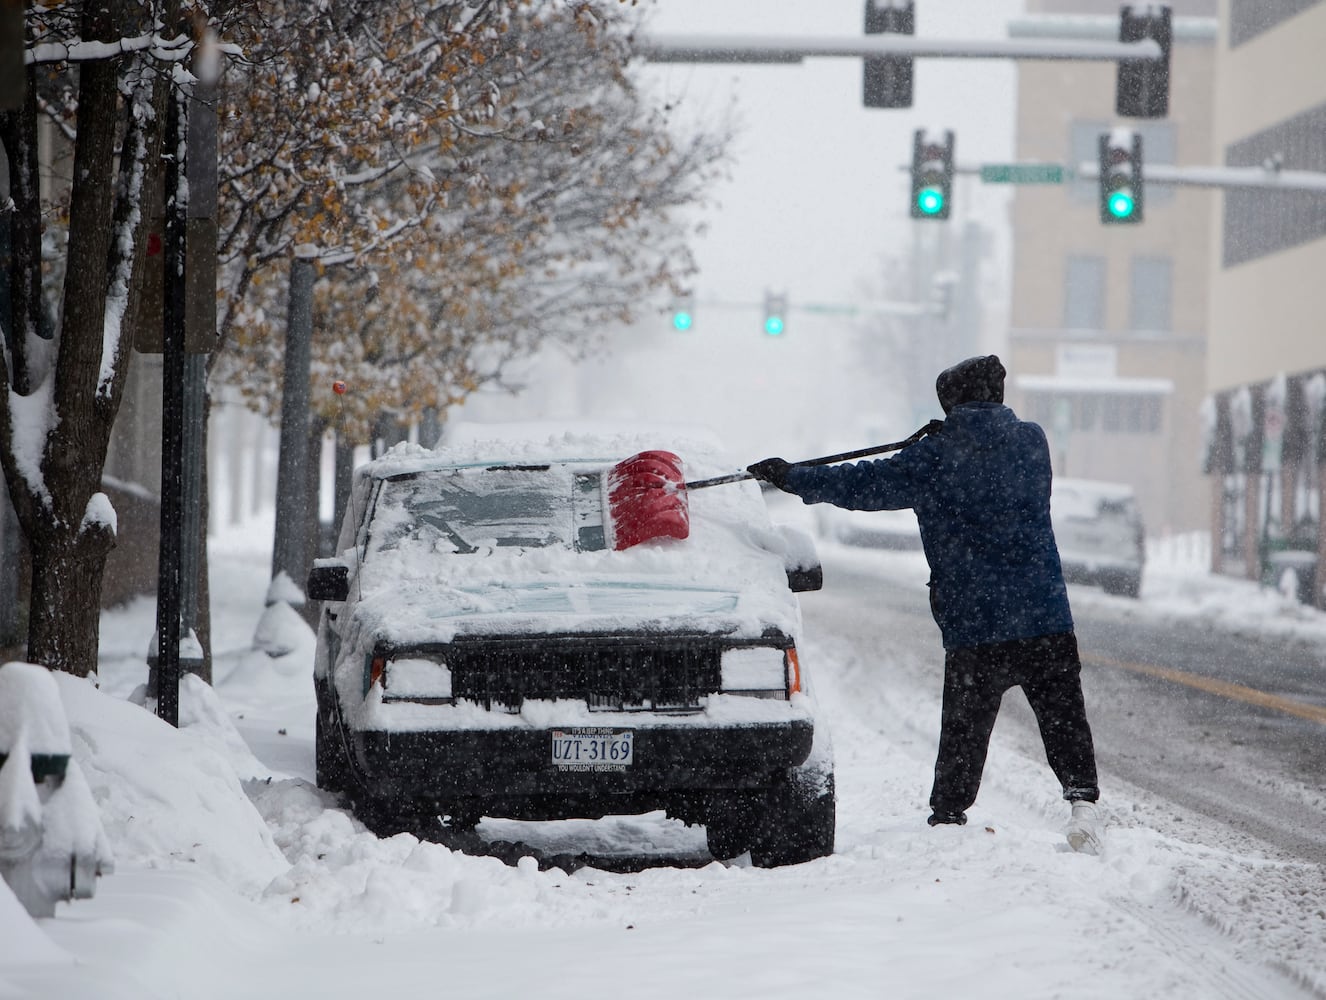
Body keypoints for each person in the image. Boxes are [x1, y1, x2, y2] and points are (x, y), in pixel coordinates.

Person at [747, 355, 1102, 853]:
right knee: (1063, 713)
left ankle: (949, 818)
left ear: (951, 403)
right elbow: (989, 453)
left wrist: (794, 476)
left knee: (964, 727)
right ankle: (1083, 804)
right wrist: (951, 434)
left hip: (976, 621)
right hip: (1044, 615)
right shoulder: (1033, 442)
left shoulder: (933, 458)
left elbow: (861, 484)